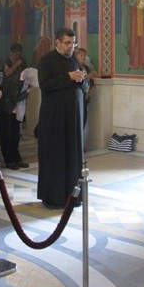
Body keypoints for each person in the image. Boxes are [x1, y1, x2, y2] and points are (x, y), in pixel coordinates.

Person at [37, 27, 88, 209]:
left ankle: (73, 197)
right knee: (56, 156)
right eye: (67, 43)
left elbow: (84, 86)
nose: (71, 46)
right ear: (57, 42)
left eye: (73, 43)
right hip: (55, 119)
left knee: (73, 155)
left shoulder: (74, 61)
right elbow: (45, 85)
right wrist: (68, 77)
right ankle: (54, 198)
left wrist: (81, 79)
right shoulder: (46, 60)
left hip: (73, 119)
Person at [0, 43, 28, 170]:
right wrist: (16, 64)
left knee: (16, 133)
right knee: (7, 133)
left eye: (19, 55)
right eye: (15, 55)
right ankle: (9, 160)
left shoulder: (23, 62)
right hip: (7, 102)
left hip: (17, 102)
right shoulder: (8, 61)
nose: (17, 57)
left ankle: (17, 158)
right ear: (11, 53)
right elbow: (7, 73)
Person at [74, 47, 94, 132]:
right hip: (78, 97)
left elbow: (90, 80)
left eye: (84, 55)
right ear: (75, 56)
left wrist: (91, 90)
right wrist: (86, 77)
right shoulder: (74, 66)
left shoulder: (86, 67)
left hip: (86, 97)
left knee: (83, 119)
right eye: (81, 55)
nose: (83, 57)